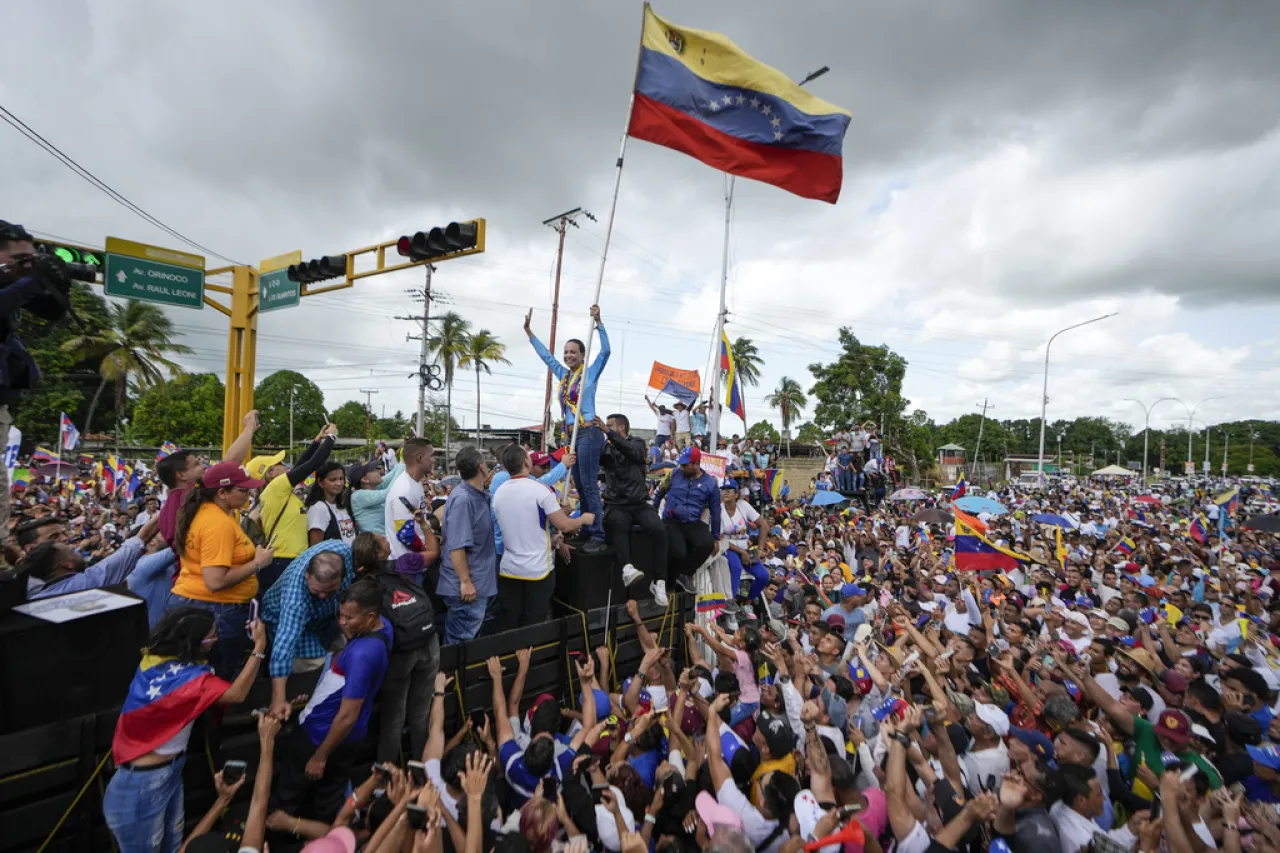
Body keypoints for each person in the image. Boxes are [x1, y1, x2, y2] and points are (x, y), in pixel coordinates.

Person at [102, 606, 267, 853]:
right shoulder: (191, 682)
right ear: (194, 643)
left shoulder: (153, 662)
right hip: (143, 784)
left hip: (165, 772)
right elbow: (237, 693)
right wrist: (259, 649)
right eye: (211, 636)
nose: (216, 639)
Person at [274, 578, 393, 824]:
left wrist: (320, 756)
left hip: (321, 736)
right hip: (345, 736)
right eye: (341, 615)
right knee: (328, 798)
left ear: (370, 617)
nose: (342, 623)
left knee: (289, 797)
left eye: (350, 618)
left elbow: (348, 714)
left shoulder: (363, 654)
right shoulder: (384, 628)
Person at [167, 462, 275, 678]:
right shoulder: (217, 523)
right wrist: (258, 563)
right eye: (243, 490)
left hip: (203, 605)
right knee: (219, 677)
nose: (249, 494)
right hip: (215, 609)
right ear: (222, 492)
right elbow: (215, 581)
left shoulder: (212, 512)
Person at [525, 303, 610, 554]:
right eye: (567, 352)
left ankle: (598, 534)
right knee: (580, 485)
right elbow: (546, 357)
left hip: (588, 433)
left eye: (574, 352)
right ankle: (585, 528)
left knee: (588, 483)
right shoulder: (563, 376)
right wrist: (530, 334)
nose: (569, 356)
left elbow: (606, 351)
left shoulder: (590, 372)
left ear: (583, 355)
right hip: (571, 435)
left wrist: (599, 322)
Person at [491, 443, 596, 632]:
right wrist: (582, 519)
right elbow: (564, 524)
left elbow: (525, 525)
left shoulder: (499, 492)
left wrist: (551, 540)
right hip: (537, 571)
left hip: (509, 569)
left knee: (510, 621)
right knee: (533, 624)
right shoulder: (540, 490)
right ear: (526, 462)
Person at [261, 541, 354, 720]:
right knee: (317, 665)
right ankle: (307, 704)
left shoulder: (344, 553)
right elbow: (284, 645)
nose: (322, 596)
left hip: (327, 618)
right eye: (317, 591)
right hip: (286, 621)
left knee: (344, 656)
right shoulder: (296, 598)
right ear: (307, 575)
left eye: (330, 591)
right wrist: (278, 700)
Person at [247, 423, 337, 591]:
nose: (285, 465)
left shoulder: (275, 490)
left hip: (286, 558)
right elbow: (313, 464)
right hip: (284, 559)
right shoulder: (276, 488)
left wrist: (317, 441)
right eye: (280, 463)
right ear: (272, 472)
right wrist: (332, 438)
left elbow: (301, 465)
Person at [154, 411, 259, 547]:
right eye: (196, 464)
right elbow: (229, 464)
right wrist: (249, 428)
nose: (204, 467)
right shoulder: (191, 496)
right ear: (181, 475)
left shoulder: (165, 511)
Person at [437, 446, 497, 643]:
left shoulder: (476, 495)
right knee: (460, 643)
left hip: (477, 583)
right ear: (481, 467)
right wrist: (465, 582)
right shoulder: (463, 499)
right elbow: (457, 546)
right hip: (467, 589)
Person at [22, 513, 161, 598]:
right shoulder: (85, 582)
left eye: (64, 533)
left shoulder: (36, 596)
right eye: (54, 537)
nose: (65, 539)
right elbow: (138, 542)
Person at [597, 413, 663, 589]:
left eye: (609, 426)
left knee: (659, 529)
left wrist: (609, 434)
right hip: (617, 503)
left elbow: (631, 452)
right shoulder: (607, 448)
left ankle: (660, 580)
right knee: (619, 524)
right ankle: (627, 569)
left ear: (621, 427)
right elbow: (599, 459)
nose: (606, 428)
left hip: (639, 503)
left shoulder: (638, 443)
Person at [652, 445, 720, 606]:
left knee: (706, 543)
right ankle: (667, 584)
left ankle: (686, 574)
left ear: (696, 464)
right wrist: (653, 512)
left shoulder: (710, 484)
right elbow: (659, 492)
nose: (681, 467)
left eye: (685, 465)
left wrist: (716, 537)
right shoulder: (674, 474)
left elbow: (716, 512)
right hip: (671, 520)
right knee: (679, 551)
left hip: (693, 522)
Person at [490, 445, 573, 562]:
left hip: (520, 547)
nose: (546, 469)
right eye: (527, 455)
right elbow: (539, 484)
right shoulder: (502, 478)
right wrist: (563, 466)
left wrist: (557, 511)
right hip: (509, 550)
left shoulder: (523, 480)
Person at [719, 480, 770, 605]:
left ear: (736, 494)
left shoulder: (743, 505)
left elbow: (764, 525)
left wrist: (759, 549)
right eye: (723, 490)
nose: (725, 493)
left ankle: (748, 603)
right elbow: (720, 538)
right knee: (735, 567)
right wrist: (742, 552)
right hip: (727, 548)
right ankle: (730, 602)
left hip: (745, 548)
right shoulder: (718, 509)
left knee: (764, 576)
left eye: (729, 490)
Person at [347, 458, 405, 536]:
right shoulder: (358, 496)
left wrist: (405, 458)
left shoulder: (372, 487)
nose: (378, 471)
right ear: (365, 479)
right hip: (375, 545)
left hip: (383, 541)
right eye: (373, 470)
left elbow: (393, 473)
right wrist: (403, 465)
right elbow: (390, 492)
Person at [304, 461, 356, 546]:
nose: (339, 483)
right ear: (320, 482)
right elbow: (315, 547)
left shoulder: (342, 506)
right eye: (333, 480)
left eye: (341, 479)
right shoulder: (319, 508)